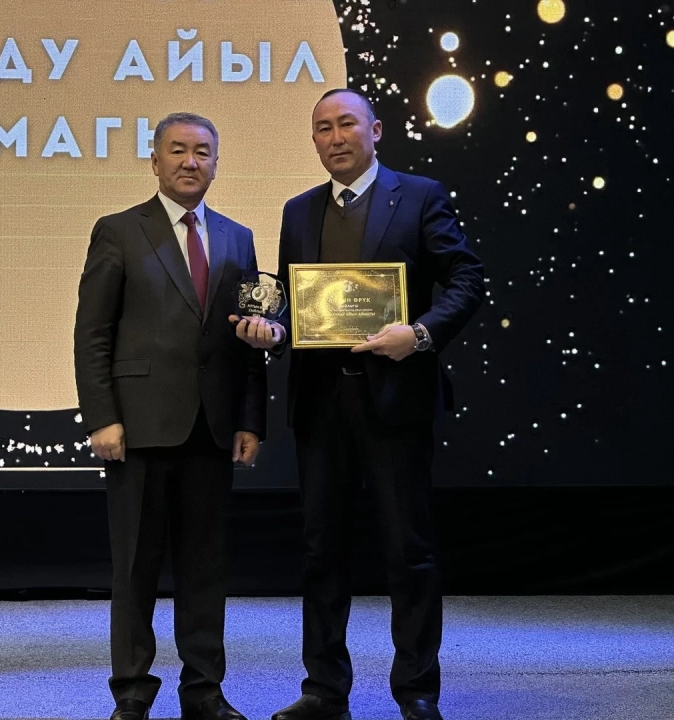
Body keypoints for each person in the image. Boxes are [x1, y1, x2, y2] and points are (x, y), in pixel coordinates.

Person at [229, 89, 485, 720]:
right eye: (323, 128)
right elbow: (296, 309)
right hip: (320, 404)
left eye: (347, 124)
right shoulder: (298, 210)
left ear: (376, 131)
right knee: (322, 552)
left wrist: (419, 334)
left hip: (395, 399)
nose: (335, 137)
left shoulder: (420, 195)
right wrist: (273, 334)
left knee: (408, 551)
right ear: (314, 140)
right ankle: (324, 690)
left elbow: (466, 279)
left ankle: (417, 690)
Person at [75, 112, 267, 720]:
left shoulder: (238, 237)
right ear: (154, 161)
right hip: (138, 427)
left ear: (216, 163)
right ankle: (132, 690)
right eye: (178, 150)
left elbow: (248, 341)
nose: (190, 161)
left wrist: (250, 419)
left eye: (202, 152)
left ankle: (203, 691)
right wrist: (101, 417)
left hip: (213, 429)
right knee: (135, 566)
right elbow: (93, 333)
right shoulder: (117, 230)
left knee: (205, 568)